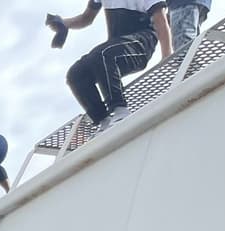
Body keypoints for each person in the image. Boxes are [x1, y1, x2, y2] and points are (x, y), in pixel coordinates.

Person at [61, 0, 172, 132]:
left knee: (102, 54)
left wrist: (166, 56)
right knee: (76, 74)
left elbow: (160, 20)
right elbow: (86, 18)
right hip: (116, 47)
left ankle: (120, 111)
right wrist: (63, 23)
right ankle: (103, 120)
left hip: (141, 44)